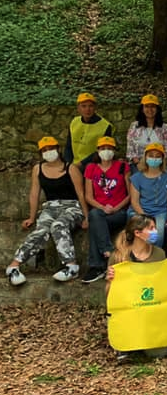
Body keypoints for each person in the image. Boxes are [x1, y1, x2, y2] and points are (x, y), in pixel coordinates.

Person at [5, 137, 89, 286]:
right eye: (44, 150)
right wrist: (32, 217)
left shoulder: (71, 168)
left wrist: (86, 217)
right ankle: (14, 266)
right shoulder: (38, 169)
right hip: (50, 207)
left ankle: (71, 265)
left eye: (51, 148)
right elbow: (34, 193)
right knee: (41, 230)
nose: (48, 152)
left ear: (58, 149)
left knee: (58, 225)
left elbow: (81, 193)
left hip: (71, 207)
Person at [106, 214, 167, 361]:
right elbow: (111, 296)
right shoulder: (119, 257)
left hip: (153, 314)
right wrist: (110, 281)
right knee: (128, 347)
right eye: (151, 228)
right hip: (131, 311)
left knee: (158, 353)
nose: (155, 231)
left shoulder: (159, 254)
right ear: (137, 233)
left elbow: (165, 288)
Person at [82, 136, 130, 284]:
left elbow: (130, 194)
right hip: (100, 211)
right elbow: (88, 196)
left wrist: (116, 208)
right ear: (98, 150)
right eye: (103, 148)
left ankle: (96, 266)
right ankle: (107, 251)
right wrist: (103, 207)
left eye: (109, 148)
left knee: (94, 220)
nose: (106, 151)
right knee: (95, 216)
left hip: (119, 212)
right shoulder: (91, 168)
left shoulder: (123, 167)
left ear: (114, 151)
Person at [128, 143, 167, 248]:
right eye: (151, 155)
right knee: (140, 231)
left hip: (160, 211)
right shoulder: (137, 177)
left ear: (162, 159)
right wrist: (145, 217)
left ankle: (155, 259)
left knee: (158, 235)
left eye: (158, 156)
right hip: (141, 210)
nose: (154, 158)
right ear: (145, 157)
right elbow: (134, 201)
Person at [64, 92, 115, 167]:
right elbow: (68, 146)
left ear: (95, 107)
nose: (87, 109)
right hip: (74, 163)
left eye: (90, 106)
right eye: (83, 106)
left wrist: (80, 164)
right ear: (78, 108)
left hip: (94, 164)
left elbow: (103, 150)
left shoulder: (105, 126)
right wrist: (68, 163)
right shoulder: (74, 122)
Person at [126, 94, 167, 171]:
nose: (150, 109)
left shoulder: (164, 128)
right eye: (147, 106)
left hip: (159, 165)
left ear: (157, 109)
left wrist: (157, 163)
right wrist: (139, 163)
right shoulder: (134, 126)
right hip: (138, 165)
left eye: (153, 106)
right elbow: (130, 149)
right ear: (142, 109)